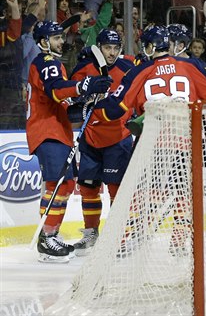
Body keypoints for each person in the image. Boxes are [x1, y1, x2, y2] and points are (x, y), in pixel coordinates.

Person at [92, 25, 206, 255]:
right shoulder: (192, 66)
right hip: (185, 139)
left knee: (142, 192)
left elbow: (114, 110)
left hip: (152, 142)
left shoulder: (140, 71)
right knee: (184, 192)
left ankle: (130, 239)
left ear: (151, 47)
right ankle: (179, 241)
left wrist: (96, 107)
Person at [27, 20, 113, 263]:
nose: (61, 41)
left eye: (61, 37)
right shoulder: (46, 62)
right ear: (44, 42)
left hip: (58, 130)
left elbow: (65, 105)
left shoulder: (57, 65)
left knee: (64, 186)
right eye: (56, 38)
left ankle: (51, 235)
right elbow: (56, 90)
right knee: (57, 185)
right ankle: (46, 238)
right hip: (47, 131)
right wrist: (83, 84)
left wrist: (87, 98)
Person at [69, 29, 135, 256]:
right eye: (107, 47)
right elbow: (70, 98)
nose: (112, 53)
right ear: (99, 47)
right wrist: (84, 95)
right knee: (88, 188)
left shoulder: (128, 68)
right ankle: (90, 234)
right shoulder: (84, 69)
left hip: (118, 139)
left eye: (116, 48)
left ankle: (121, 236)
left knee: (116, 189)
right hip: (90, 139)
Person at [0, 0, 24, 129]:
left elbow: (15, 25)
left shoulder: (8, 31)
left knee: (7, 117)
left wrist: (14, 7)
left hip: (9, 82)